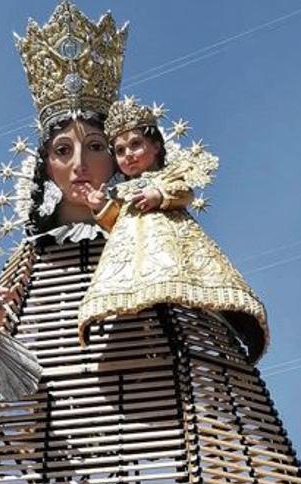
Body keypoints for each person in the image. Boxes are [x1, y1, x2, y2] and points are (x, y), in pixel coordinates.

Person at [0, 4, 301, 484]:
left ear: (118, 158)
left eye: (95, 146)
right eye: (63, 151)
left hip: (142, 424)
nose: (80, 165)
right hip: (52, 441)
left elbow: (197, 374)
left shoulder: (150, 242)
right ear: (45, 165)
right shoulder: (30, 262)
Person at [76, 97, 269, 356]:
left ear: (155, 146)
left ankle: (238, 326)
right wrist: (100, 207)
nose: (128, 155)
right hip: (130, 251)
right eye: (120, 151)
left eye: (135, 144)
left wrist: (159, 195)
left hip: (170, 239)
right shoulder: (120, 190)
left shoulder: (168, 176)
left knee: (192, 281)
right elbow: (116, 221)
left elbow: (184, 191)